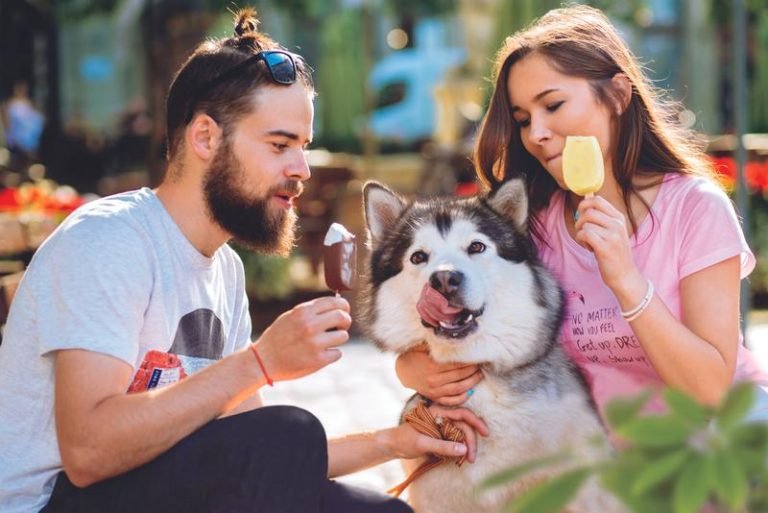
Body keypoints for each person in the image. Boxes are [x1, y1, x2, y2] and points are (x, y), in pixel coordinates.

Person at [0, 9, 488, 513]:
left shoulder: (224, 269)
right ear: (206, 137)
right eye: (280, 145)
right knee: (285, 431)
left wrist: (395, 441)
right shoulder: (110, 240)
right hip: (50, 503)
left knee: (383, 510)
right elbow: (87, 452)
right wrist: (260, 362)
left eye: (303, 147)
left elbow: (260, 461)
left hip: (153, 491)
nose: (300, 169)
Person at [396, 5, 768, 426]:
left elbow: (711, 391)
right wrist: (409, 367)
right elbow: (445, 339)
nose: (536, 133)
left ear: (617, 95)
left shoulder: (695, 208)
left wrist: (627, 282)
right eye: (523, 120)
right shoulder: (533, 226)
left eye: (552, 106)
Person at [2, 80, 44, 173]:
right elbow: (7, 124)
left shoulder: (29, 105)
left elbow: (36, 122)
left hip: (30, 144)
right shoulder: (10, 105)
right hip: (16, 144)